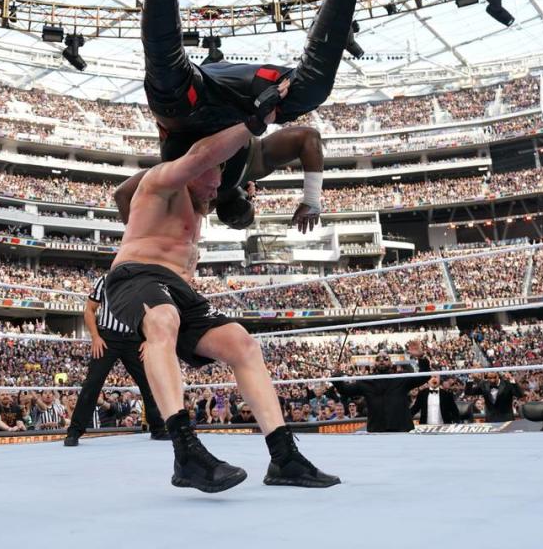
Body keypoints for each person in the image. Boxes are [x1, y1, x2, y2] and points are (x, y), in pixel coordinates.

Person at [131, 0, 423, 228]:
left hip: (206, 112)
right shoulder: (243, 169)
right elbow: (123, 195)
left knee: (307, 90)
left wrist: (310, 198)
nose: (216, 186)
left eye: (211, 192)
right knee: (165, 62)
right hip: (219, 101)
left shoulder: (223, 178)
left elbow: (207, 155)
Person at [104, 122, 339, 491]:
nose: (217, 186)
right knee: (162, 320)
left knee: (241, 343)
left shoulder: (200, 206)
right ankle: (186, 453)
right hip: (135, 276)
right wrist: (252, 121)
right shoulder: (162, 181)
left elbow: (217, 187)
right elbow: (201, 155)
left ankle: (284, 457)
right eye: (212, 177)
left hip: (180, 289)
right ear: (192, 169)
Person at [116, 126, 325, 231]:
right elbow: (121, 194)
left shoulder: (254, 165)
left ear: (247, 195)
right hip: (175, 108)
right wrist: (137, 237)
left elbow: (309, 137)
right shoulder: (181, 185)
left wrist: (311, 201)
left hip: (212, 92)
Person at [64, 274, 168, 446]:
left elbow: (151, 314)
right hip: (107, 338)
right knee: (93, 383)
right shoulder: (104, 280)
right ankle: (74, 431)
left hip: (134, 338)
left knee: (149, 381)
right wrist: (95, 336)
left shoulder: (143, 280)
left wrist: (148, 339)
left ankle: (157, 428)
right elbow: (90, 309)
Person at [333, 343, 431, 432]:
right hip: (377, 430)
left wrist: (421, 357)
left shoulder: (401, 377)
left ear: (391, 363)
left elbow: (425, 376)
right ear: (374, 364)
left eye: (385, 358)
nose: (381, 360)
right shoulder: (365, 381)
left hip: (401, 428)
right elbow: (344, 390)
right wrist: (336, 375)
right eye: (378, 359)